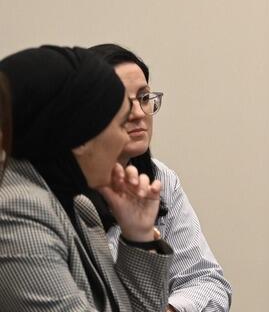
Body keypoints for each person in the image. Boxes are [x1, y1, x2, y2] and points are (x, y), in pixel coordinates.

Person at [0, 46, 174, 311]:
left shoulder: (81, 208)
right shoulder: (16, 210)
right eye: (119, 124)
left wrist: (139, 236)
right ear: (80, 138)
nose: (124, 138)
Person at [89, 44, 233, 312]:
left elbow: (207, 281)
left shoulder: (160, 180)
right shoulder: (63, 187)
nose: (138, 113)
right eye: (121, 101)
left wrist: (167, 309)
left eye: (144, 98)